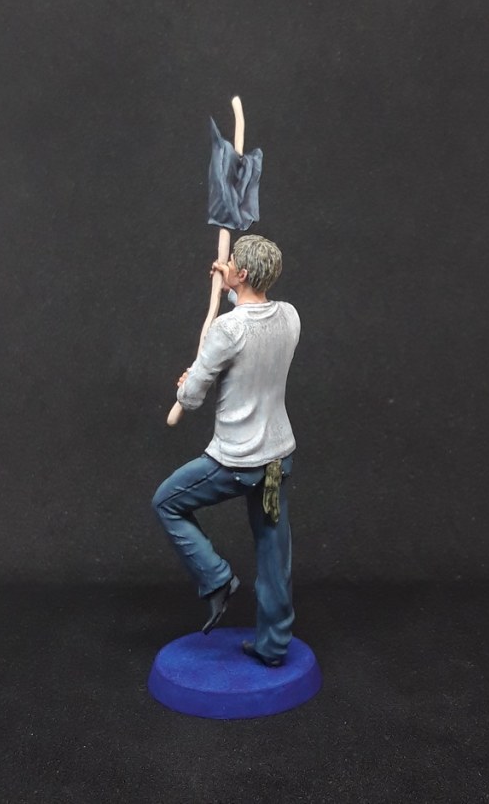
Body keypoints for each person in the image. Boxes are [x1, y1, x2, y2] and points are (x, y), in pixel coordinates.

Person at [152, 235, 300, 666]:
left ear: (245, 273)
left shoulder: (227, 329)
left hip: (238, 459)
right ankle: (274, 645)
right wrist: (232, 286)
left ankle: (216, 577)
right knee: (273, 554)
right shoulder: (290, 317)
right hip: (277, 458)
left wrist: (186, 383)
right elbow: (256, 320)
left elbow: (193, 396)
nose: (227, 264)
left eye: (232, 262)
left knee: (167, 502)